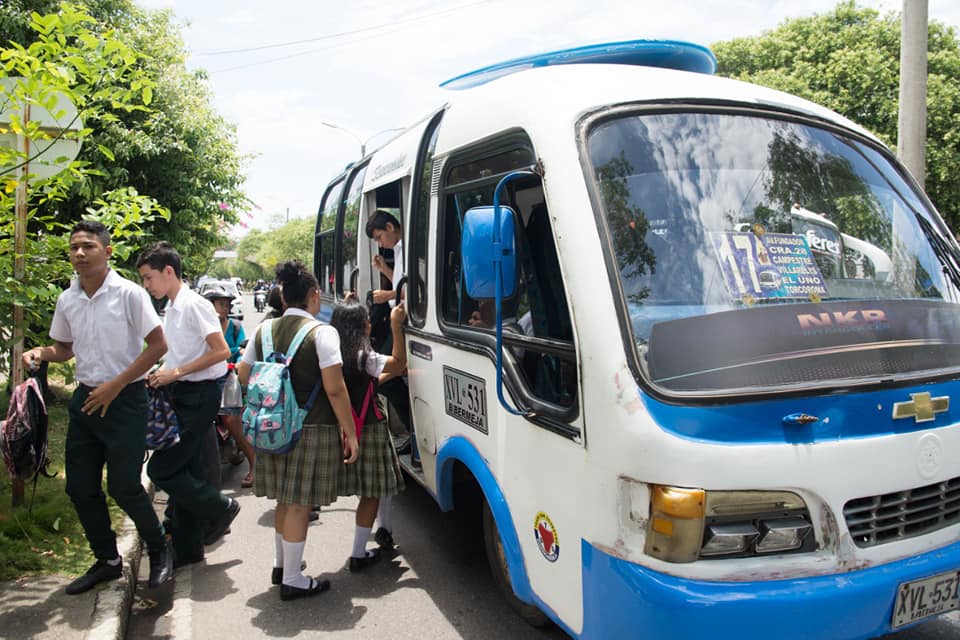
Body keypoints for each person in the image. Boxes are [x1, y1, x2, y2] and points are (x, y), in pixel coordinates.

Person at [22, 220, 172, 595]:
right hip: (86, 399)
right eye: (74, 247)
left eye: (88, 246)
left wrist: (115, 385)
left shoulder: (129, 294)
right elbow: (64, 348)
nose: (79, 253)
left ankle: (159, 547)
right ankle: (107, 560)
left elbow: (157, 346)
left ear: (107, 252)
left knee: (124, 487)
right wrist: (40, 352)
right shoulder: (67, 298)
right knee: (80, 487)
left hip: (125, 400)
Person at [237, 260, 359, 600]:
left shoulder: (263, 331)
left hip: (271, 426)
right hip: (312, 427)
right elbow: (335, 389)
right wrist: (350, 432)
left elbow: (245, 376)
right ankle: (292, 578)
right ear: (314, 296)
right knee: (300, 504)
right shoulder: (323, 333)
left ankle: (282, 565)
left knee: (283, 500)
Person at [136, 243, 241, 568]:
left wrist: (176, 372)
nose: (146, 286)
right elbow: (183, 352)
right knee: (186, 470)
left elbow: (221, 351)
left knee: (161, 468)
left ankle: (220, 507)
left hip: (198, 396)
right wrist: (164, 371)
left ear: (169, 271)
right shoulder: (174, 306)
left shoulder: (194, 304)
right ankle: (188, 547)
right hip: (181, 393)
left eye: (149, 277)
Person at [331, 300, 407, 569]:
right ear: (362, 327)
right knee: (374, 490)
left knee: (376, 486)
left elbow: (364, 385)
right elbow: (398, 364)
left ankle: (384, 531)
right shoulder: (365, 357)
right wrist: (397, 327)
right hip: (371, 428)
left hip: (347, 426)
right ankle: (358, 553)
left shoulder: (335, 355)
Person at [364, 210, 415, 464]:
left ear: (390, 226)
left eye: (379, 236)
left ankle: (414, 430)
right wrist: (384, 269)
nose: (380, 243)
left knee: (387, 375)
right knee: (389, 375)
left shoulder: (409, 247)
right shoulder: (398, 251)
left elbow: (413, 290)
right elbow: (401, 283)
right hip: (399, 320)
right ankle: (413, 430)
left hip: (405, 323)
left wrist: (386, 296)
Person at [203, 283, 256, 488]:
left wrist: (237, 356)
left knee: (231, 419)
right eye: (219, 304)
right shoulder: (202, 326)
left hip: (228, 378)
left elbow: (242, 349)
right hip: (204, 380)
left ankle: (254, 464)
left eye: (226, 305)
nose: (223, 309)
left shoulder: (234, 326)